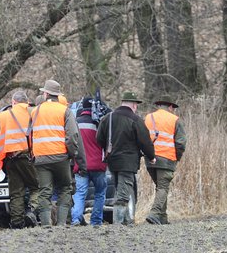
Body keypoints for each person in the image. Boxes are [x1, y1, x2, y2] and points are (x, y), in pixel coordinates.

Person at [30, 79, 85, 226]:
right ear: (57, 95)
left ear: (46, 94)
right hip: (61, 157)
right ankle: (61, 224)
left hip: (41, 157)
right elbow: (73, 135)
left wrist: (33, 153)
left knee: (44, 191)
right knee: (65, 188)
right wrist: (71, 153)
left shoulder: (35, 111)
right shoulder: (65, 111)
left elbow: (29, 134)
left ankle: (46, 224)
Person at [95, 91, 155, 225]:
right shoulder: (136, 120)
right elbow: (145, 142)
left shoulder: (108, 118)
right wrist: (151, 157)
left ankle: (128, 220)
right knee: (123, 194)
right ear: (133, 105)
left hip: (112, 161)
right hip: (128, 162)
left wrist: (109, 147)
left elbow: (98, 139)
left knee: (122, 189)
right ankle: (118, 224)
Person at [0, 90, 38, 229]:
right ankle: (32, 212)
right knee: (37, 187)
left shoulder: (3, 116)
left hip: (11, 159)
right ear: (26, 102)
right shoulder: (34, 112)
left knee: (16, 192)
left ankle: (17, 222)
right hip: (29, 157)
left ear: (13, 102)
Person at [144, 97, 187, 225]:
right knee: (163, 187)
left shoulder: (148, 118)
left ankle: (163, 217)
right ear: (170, 107)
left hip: (149, 158)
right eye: (173, 108)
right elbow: (181, 143)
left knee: (160, 187)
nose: (173, 110)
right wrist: (177, 158)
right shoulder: (175, 120)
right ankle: (154, 213)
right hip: (167, 158)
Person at [71, 97, 108, 227]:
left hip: (81, 165)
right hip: (98, 164)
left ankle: (75, 219)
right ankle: (96, 220)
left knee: (80, 193)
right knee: (100, 193)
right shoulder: (100, 122)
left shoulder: (75, 122)